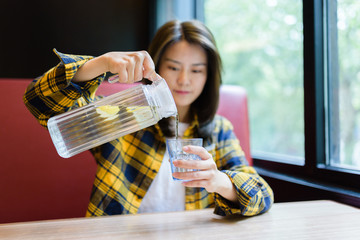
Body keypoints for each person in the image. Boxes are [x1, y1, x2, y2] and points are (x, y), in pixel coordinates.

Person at [24, 20, 274, 217]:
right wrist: (98, 65)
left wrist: (219, 180)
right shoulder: (122, 118)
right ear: (155, 68)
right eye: (174, 67)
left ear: (210, 76)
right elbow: (38, 100)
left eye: (197, 70)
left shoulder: (218, 130)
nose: (184, 80)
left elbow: (262, 195)